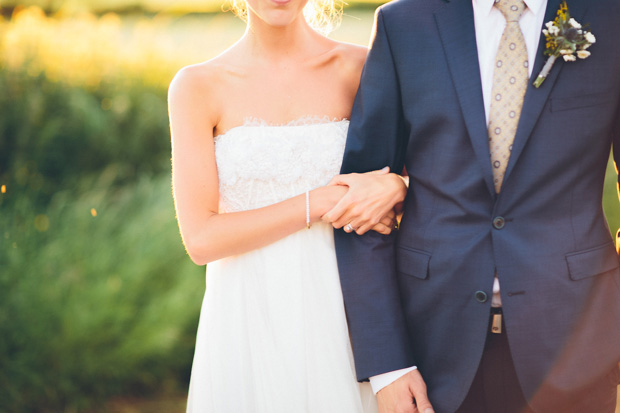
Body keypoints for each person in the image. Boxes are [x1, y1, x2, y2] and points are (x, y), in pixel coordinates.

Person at [327, 0, 620, 411]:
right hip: (431, 351)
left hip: (578, 345)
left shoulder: (610, 17)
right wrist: (387, 366)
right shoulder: (404, 23)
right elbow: (362, 207)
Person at [167, 0, 408, 410]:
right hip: (246, 316)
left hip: (347, 311)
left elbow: (424, 176)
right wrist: (321, 201)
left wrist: (399, 186)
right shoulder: (196, 85)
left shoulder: (361, 68)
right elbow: (201, 239)